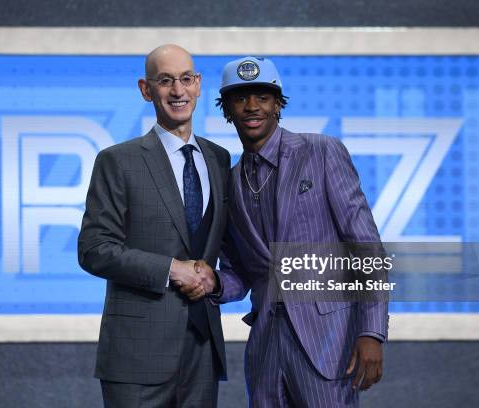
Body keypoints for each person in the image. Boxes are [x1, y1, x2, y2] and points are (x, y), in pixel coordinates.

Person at [204, 56, 389, 407]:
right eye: (240, 98)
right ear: (227, 108)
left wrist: (371, 331)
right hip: (265, 348)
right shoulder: (229, 181)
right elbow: (241, 274)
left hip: (328, 342)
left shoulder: (321, 151)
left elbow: (365, 246)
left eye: (262, 96)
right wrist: (212, 283)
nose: (252, 106)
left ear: (277, 103)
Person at [78, 44, 229, 408]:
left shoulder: (220, 160)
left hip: (202, 352)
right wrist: (171, 269)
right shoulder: (118, 161)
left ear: (198, 84)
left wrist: (217, 279)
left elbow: (222, 247)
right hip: (136, 357)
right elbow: (94, 248)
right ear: (146, 89)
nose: (178, 91)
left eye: (186, 79)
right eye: (165, 81)